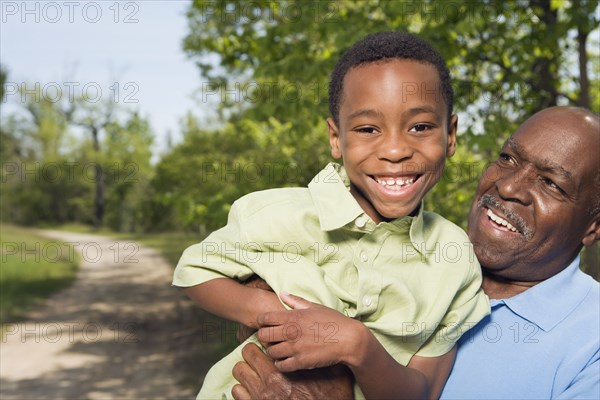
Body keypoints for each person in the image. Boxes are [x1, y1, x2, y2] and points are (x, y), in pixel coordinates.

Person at [172, 31, 490, 399]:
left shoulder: (456, 260)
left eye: (420, 127)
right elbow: (194, 269)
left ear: (450, 136)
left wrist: (358, 345)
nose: (395, 149)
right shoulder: (278, 213)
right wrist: (269, 312)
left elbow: (420, 392)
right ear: (336, 138)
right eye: (368, 129)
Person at [230, 106, 600, 400]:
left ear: (593, 227)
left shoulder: (591, 345)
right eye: (508, 158)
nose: (507, 186)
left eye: (551, 184)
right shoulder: (407, 247)